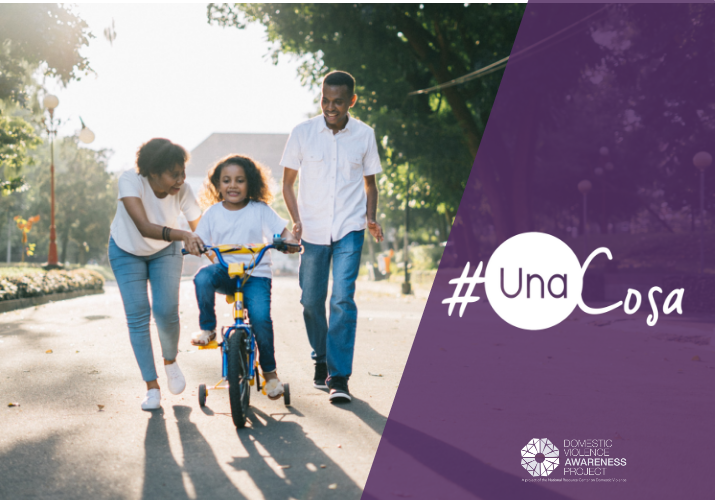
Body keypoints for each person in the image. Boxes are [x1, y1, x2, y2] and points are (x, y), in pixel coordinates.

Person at [281, 70, 384, 403]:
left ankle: (339, 377)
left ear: (351, 101)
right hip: (311, 230)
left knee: (341, 299)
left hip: (350, 229)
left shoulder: (365, 135)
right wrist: (296, 220)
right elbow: (287, 183)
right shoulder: (302, 133)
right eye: (325, 100)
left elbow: (370, 183)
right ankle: (321, 358)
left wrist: (370, 217)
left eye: (338, 102)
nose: (330, 107)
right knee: (311, 301)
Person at [191, 155, 300, 399]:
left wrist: (289, 242)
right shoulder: (212, 213)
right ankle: (207, 328)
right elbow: (199, 239)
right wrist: (194, 245)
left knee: (261, 319)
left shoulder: (260, 210)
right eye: (226, 180)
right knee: (202, 278)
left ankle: (270, 374)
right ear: (217, 185)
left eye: (240, 180)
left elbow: (283, 233)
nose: (233, 185)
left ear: (249, 183)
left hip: (256, 275)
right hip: (226, 272)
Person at [108, 138, 204, 411]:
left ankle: (170, 361)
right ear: (152, 172)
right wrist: (184, 234)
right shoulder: (130, 181)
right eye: (174, 174)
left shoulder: (182, 190)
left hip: (165, 251)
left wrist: (220, 258)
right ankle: (151, 387)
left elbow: (203, 229)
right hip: (126, 249)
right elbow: (143, 226)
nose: (181, 179)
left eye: (183, 172)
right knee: (138, 314)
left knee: (165, 311)